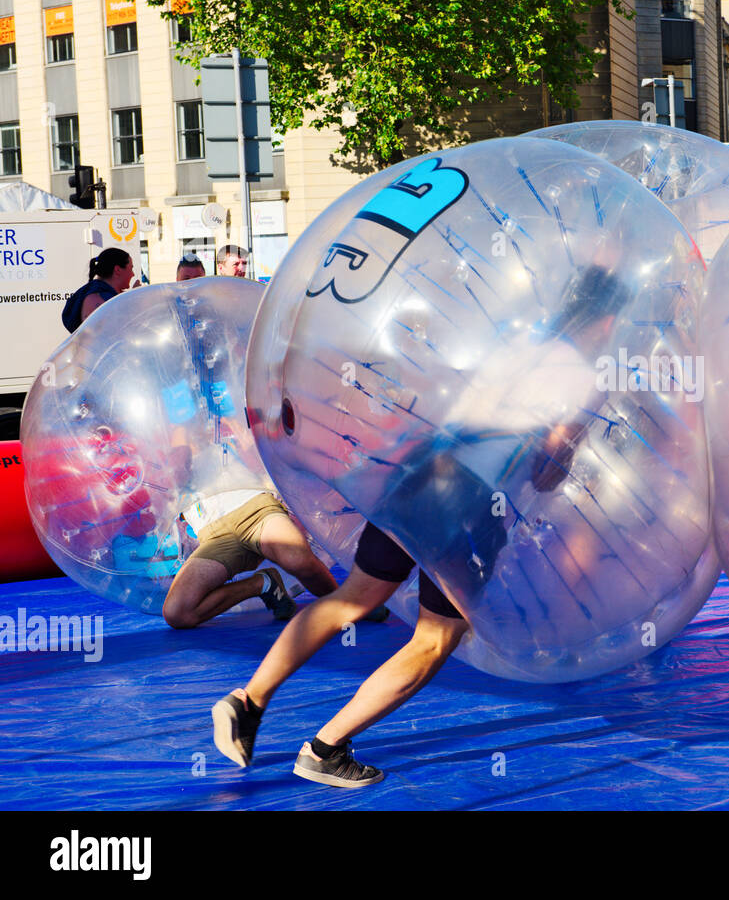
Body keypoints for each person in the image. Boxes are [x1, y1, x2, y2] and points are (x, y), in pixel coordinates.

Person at [211, 264, 629, 788]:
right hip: (471, 502)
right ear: (608, 319)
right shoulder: (583, 374)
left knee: (352, 597)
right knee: (437, 638)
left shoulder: (513, 345)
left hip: (418, 472)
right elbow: (547, 469)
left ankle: (247, 701)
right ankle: (325, 748)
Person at [163, 488, 341, 629]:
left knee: (297, 560)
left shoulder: (226, 443)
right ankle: (262, 583)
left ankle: (345, 602)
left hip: (255, 508)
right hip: (212, 534)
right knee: (177, 613)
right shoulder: (167, 458)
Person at [61, 248, 134, 332]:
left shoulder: (108, 295)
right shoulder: (94, 298)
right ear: (117, 270)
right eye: (131, 268)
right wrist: (134, 302)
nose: (133, 274)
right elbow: (111, 334)